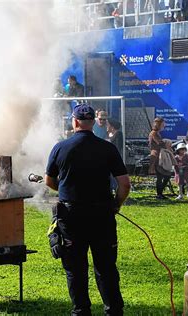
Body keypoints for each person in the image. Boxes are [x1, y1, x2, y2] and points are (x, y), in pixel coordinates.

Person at [45, 103, 130, 316]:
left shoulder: (60, 147)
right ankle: (114, 312)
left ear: (74, 122)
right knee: (107, 268)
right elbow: (125, 184)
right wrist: (116, 204)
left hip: (71, 216)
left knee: (75, 270)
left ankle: (81, 311)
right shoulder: (107, 148)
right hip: (102, 215)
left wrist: (64, 188)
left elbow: (50, 181)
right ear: (93, 122)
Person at [148, 117, 170, 199]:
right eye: (163, 124)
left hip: (158, 155)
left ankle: (160, 193)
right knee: (162, 175)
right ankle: (159, 194)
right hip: (156, 156)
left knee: (162, 176)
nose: (164, 125)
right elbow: (160, 143)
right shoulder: (154, 133)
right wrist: (166, 143)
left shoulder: (156, 133)